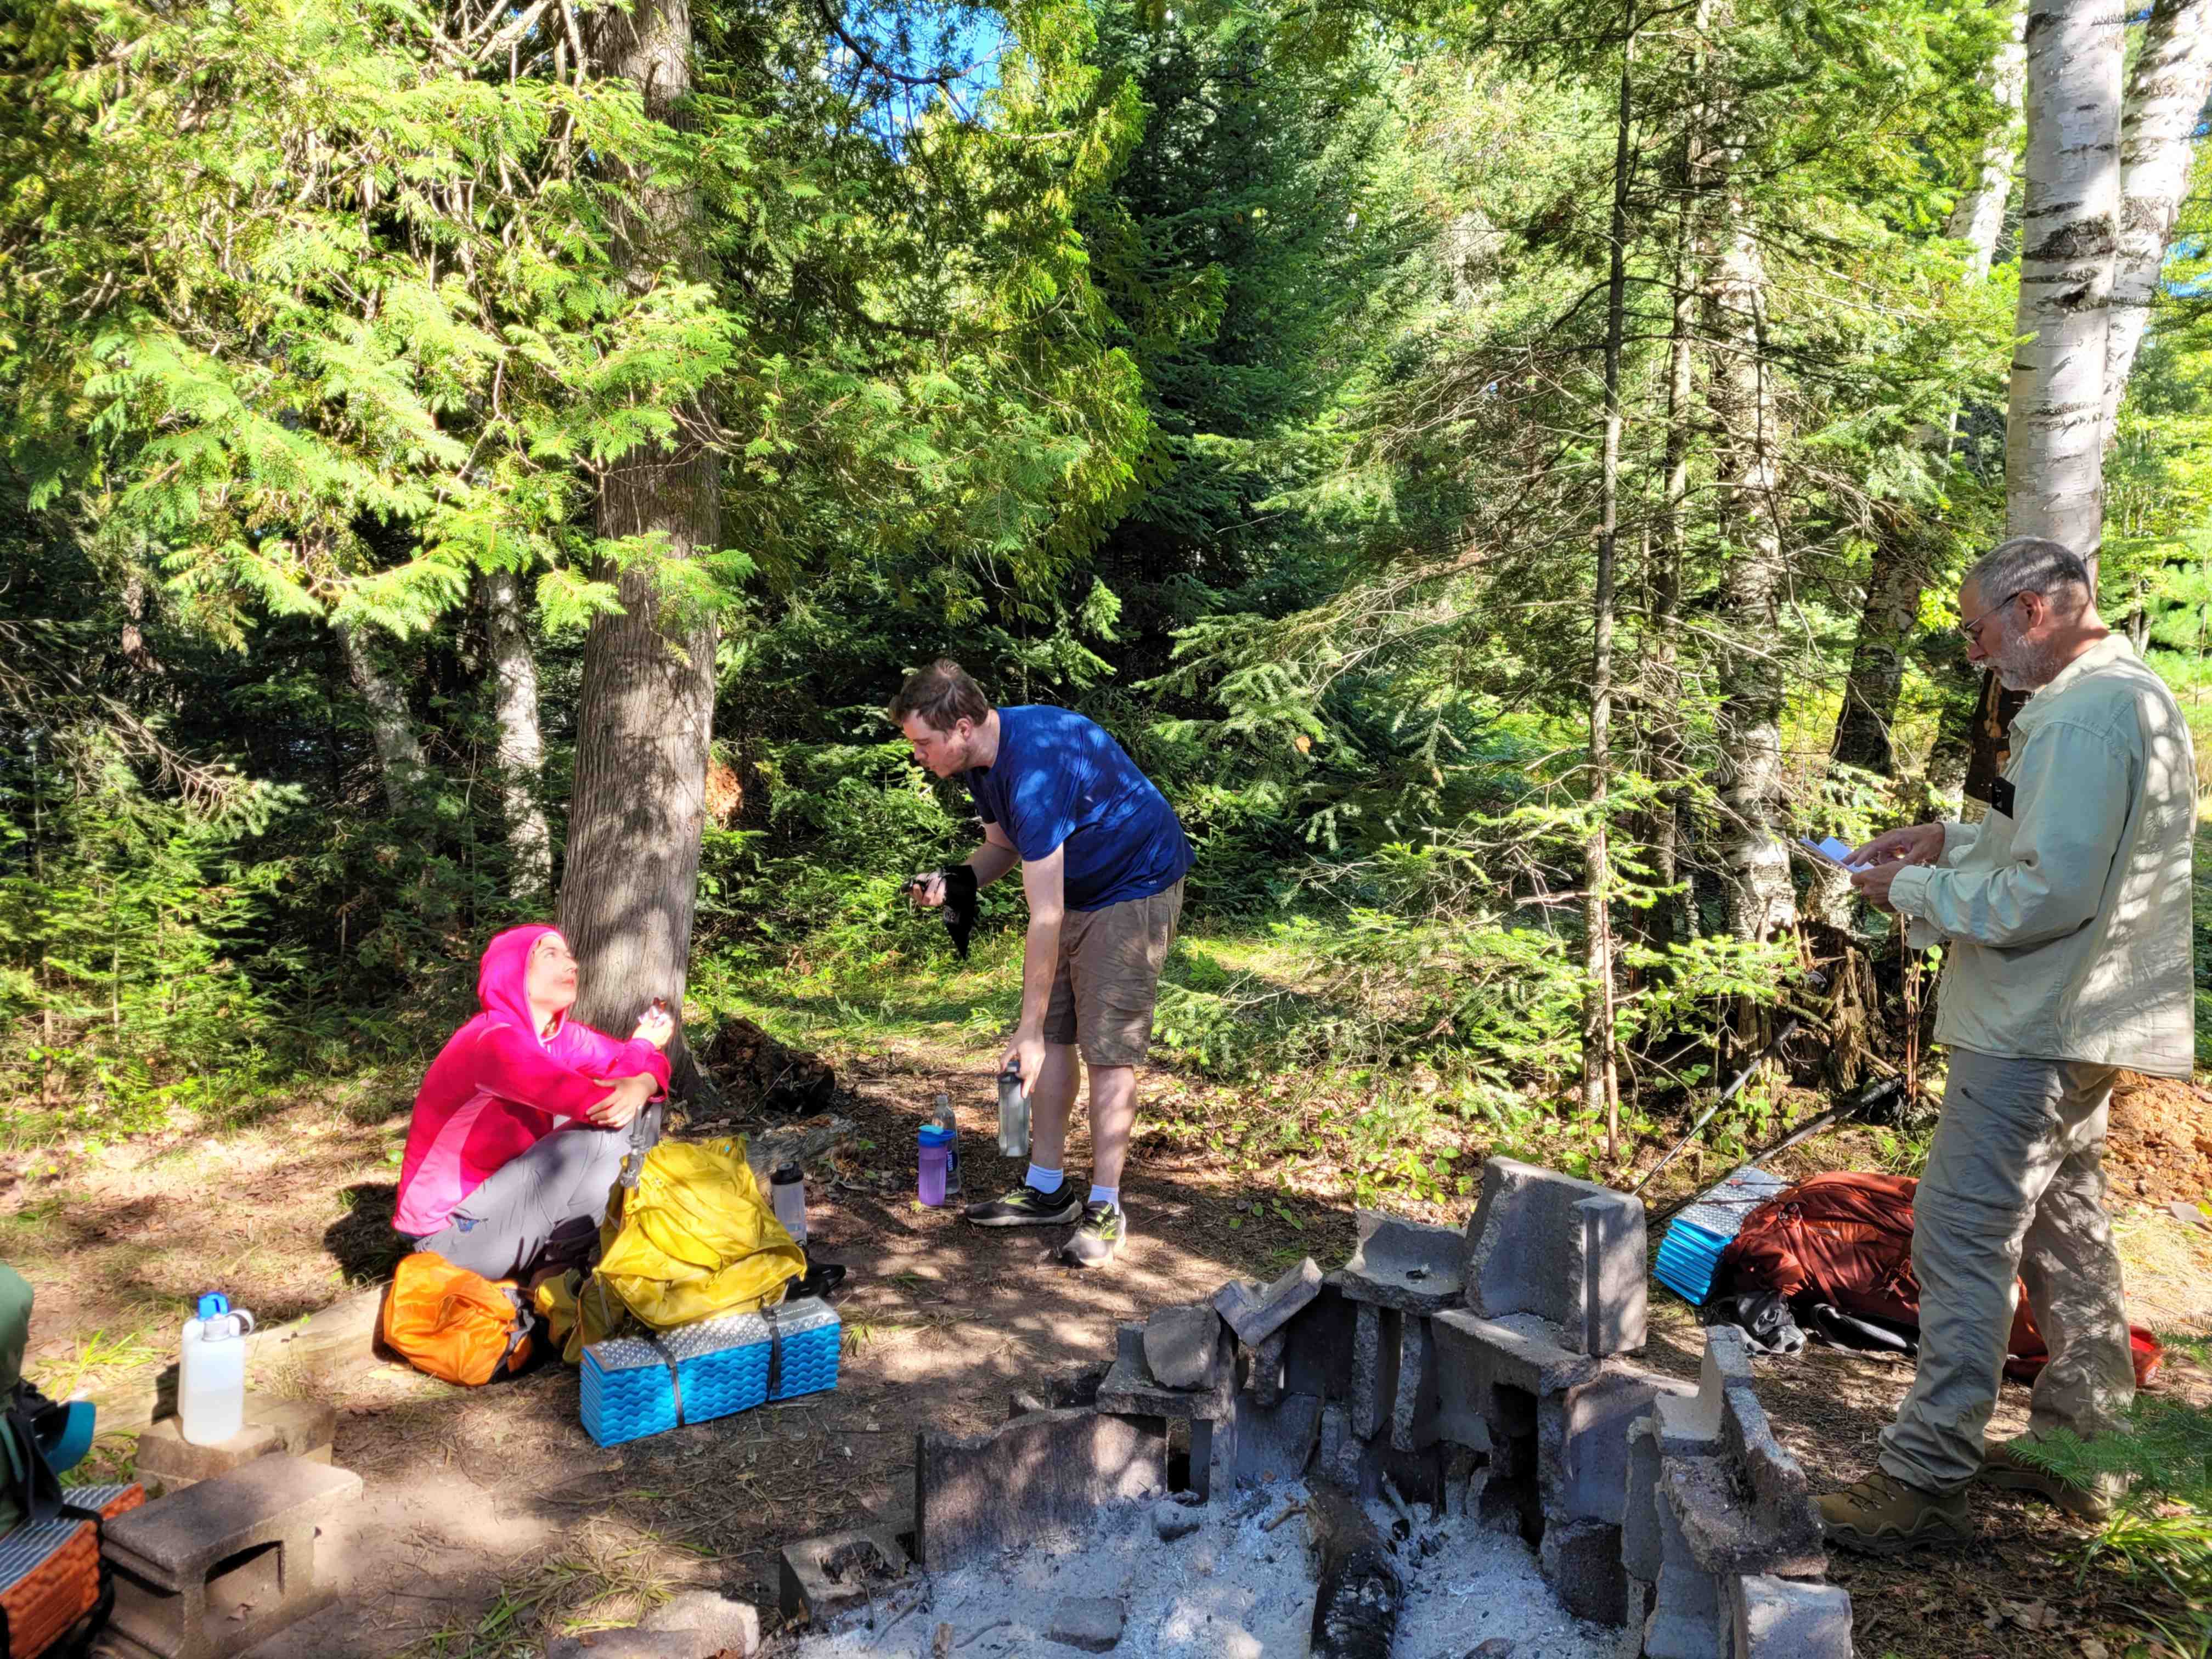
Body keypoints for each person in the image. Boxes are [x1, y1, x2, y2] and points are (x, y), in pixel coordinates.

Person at [1817, 536, 2196, 1555]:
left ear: (2032, 608)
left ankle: (1923, 1479)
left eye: (1979, 630)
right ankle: (2087, 1450)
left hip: (2032, 1023)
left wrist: (1911, 888)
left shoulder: (2079, 710)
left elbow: (2048, 894)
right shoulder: (2126, 692)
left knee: (1960, 1234)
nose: (1976, 654)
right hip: (2078, 1018)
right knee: (2064, 1228)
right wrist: (1949, 839)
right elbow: (2053, 848)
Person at [895, 660, 1193, 1269]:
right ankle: (1048, 1189)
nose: (918, 756)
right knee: (1056, 1042)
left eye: (923, 743)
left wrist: (1023, 1029)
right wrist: (957, 880)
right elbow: (1003, 847)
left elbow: (1046, 915)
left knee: (1106, 1049)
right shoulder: (982, 764)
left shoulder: (1034, 767)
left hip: (1134, 886)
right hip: (1078, 891)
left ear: (960, 727)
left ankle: (1106, 1208)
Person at [393, 923, 675, 1282]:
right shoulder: (491, 1043)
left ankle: (566, 1261)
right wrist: (641, 1052)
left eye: (570, 957)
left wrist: (643, 1079)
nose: (571, 965)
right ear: (512, 972)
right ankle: (564, 1262)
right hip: (449, 1239)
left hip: (502, 1210)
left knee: (641, 1108)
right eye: (550, 955)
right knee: (606, 1127)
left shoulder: (561, 1038)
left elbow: (649, 1071)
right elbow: (602, 1103)